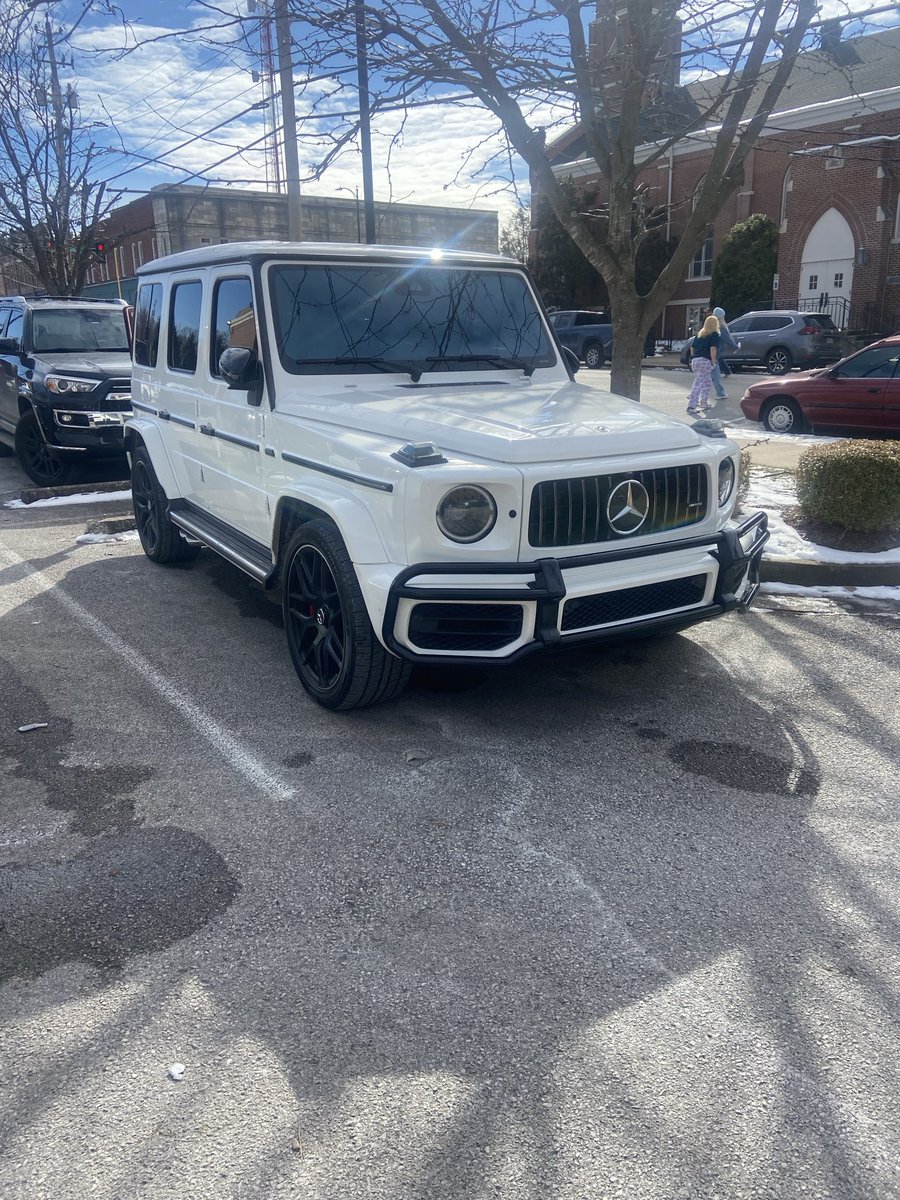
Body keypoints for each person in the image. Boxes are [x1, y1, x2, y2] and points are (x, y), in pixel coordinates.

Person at [686, 314, 720, 414]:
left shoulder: (700, 334)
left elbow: (692, 347)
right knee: (699, 384)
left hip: (696, 360)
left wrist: (694, 356)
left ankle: (703, 402)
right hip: (705, 361)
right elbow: (713, 349)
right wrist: (714, 362)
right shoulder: (714, 334)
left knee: (706, 382)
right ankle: (692, 405)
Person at [709, 306, 737, 399]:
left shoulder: (709, 326)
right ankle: (720, 393)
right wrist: (735, 347)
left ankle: (695, 393)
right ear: (721, 317)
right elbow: (728, 339)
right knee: (715, 376)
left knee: (704, 376)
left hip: (705, 354)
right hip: (714, 355)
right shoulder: (721, 327)